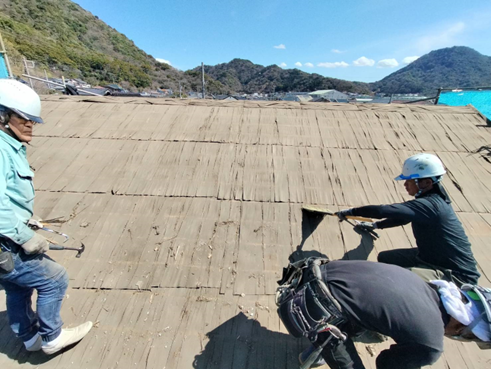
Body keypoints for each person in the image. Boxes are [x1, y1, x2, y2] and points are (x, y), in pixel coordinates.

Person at [0, 79, 92, 354]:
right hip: (5, 243)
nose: (30, 125)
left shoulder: (9, 146)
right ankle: (52, 338)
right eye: (23, 119)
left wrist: (25, 218)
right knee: (54, 279)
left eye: (33, 121)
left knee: (17, 287)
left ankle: (29, 339)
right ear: (2, 116)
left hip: (6, 237)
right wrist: (25, 236)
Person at [280, 259, 491, 369]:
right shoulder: (432, 344)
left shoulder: (426, 285)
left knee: (373, 322)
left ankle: (321, 349)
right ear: (462, 328)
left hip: (308, 275)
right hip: (314, 308)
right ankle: (321, 346)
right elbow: (386, 363)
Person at [337, 153, 480, 286]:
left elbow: (382, 211)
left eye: (410, 180)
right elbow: (403, 218)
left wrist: (351, 211)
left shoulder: (430, 205)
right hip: (430, 257)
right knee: (386, 258)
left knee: (389, 277)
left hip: (455, 276)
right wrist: (376, 225)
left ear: (426, 183)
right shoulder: (433, 201)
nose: (405, 184)